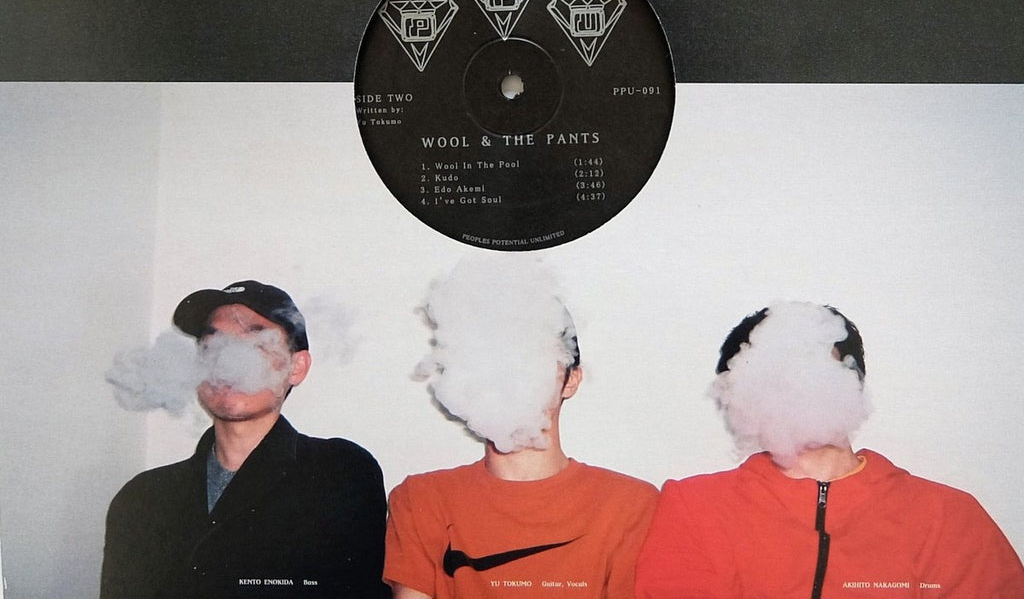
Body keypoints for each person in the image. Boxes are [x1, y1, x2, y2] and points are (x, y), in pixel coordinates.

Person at [635, 301, 1024, 598]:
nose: (799, 388)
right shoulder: (695, 506)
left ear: (855, 381)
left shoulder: (948, 516)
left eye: (813, 368)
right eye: (776, 375)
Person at [384, 258, 658, 598]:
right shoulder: (422, 499)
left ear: (571, 380)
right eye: (490, 358)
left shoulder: (629, 504)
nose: (510, 376)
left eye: (532, 356)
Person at [100, 280, 389, 599]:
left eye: (255, 344)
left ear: (297, 367)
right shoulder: (142, 497)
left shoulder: (340, 472)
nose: (228, 361)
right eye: (213, 346)